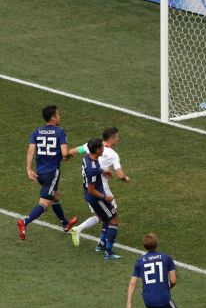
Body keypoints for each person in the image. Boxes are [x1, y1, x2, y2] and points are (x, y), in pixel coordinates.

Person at [17, 105, 76, 241]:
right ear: (53, 118)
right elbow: (65, 154)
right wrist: (72, 154)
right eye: (58, 115)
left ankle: (65, 223)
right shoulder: (60, 132)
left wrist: (28, 169)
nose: (59, 117)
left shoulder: (37, 132)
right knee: (44, 204)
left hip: (40, 173)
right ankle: (24, 222)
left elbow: (31, 151)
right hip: (51, 173)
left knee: (56, 196)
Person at [69, 127, 130, 248]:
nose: (118, 139)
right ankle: (104, 244)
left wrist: (65, 156)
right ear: (112, 138)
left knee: (101, 215)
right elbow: (120, 175)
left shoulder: (90, 146)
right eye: (116, 137)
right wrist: (126, 179)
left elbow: (72, 152)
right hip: (99, 189)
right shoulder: (113, 155)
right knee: (112, 214)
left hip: (87, 187)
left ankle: (100, 241)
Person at [125, 233, 181, 308]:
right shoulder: (166, 258)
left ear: (145, 246)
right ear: (157, 244)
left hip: (148, 300)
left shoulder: (139, 262)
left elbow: (133, 283)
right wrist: (168, 288)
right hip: (163, 298)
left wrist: (129, 303)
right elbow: (173, 280)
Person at [82, 138, 121, 260]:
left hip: (93, 195)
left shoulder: (88, 157)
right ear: (97, 150)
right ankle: (108, 251)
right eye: (102, 147)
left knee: (106, 218)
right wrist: (106, 198)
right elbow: (91, 189)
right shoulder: (92, 169)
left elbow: (94, 169)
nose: (104, 149)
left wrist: (103, 171)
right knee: (113, 219)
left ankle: (102, 244)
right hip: (97, 198)